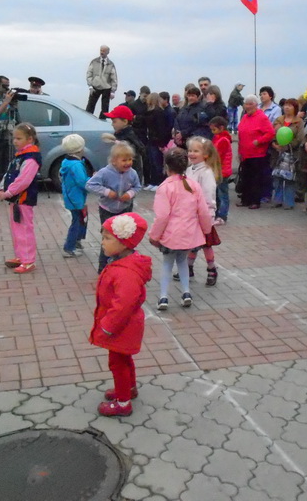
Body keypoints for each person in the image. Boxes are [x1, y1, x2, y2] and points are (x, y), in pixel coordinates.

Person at [91, 212, 152, 417]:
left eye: (108, 239)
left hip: (121, 327)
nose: (103, 243)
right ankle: (129, 389)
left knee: (117, 363)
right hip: (123, 325)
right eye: (103, 238)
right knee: (124, 360)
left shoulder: (126, 272)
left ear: (125, 243)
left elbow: (123, 305)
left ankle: (123, 402)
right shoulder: (121, 262)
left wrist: (107, 326)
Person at [149, 148, 212, 311]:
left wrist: (154, 236)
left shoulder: (165, 187)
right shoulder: (193, 185)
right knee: (183, 261)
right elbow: (203, 212)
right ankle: (186, 293)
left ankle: (163, 296)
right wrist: (206, 230)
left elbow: (162, 216)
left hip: (170, 234)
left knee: (167, 264)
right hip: (189, 233)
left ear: (167, 166)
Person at [85, 142, 142, 273]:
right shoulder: (105, 172)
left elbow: (138, 186)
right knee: (109, 238)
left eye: (130, 159)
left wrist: (130, 194)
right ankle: (103, 268)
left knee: (125, 238)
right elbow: (90, 185)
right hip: (107, 209)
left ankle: (124, 266)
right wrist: (107, 192)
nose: (128, 163)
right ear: (114, 161)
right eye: (124, 160)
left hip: (125, 209)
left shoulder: (132, 173)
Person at [0, 122, 42, 274]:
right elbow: (9, 173)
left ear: (30, 139)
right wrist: (3, 187)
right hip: (15, 200)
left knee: (24, 230)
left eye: (19, 138)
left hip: (23, 199)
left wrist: (8, 193)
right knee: (17, 229)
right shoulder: (19, 156)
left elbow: (23, 181)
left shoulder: (30, 159)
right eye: (14, 138)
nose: (15, 141)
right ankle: (21, 256)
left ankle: (28, 261)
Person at [184, 136, 222, 286]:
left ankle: (212, 269)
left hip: (203, 215)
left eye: (196, 151)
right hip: (190, 214)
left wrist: (208, 215)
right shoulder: (189, 169)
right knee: (192, 244)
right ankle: (188, 267)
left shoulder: (206, 172)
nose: (191, 154)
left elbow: (209, 196)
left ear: (205, 154)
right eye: (190, 150)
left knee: (206, 245)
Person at [236, 94, 276, 209]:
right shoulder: (244, 117)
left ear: (256, 105)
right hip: (245, 153)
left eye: (250, 104)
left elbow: (270, 133)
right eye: (246, 104)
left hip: (257, 154)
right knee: (245, 177)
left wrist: (259, 141)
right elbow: (240, 135)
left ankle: (255, 201)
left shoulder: (261, 117)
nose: (247, 106)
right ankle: (245, 199)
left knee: (255, 178)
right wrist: (239, 152)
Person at [60, 134, 93, 257]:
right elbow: (82, 182)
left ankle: (77, 241)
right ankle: (69, 247)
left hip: (72, 197)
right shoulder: (76, 165)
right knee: (77, 221)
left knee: (81, 219)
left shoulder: (67, 161)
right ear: (80, 149)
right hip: (76, 198)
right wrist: (93, 179)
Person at [271, 98, 304, 210]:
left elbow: (299, 138)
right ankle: (277, 200)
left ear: (295, 108)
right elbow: (273, 133)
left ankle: (289, 202)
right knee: (277, 177)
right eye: (285, 105)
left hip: (291, 153)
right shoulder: (278, 120)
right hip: (278, 153)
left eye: (290, 105)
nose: (287, 107)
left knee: (290, 179)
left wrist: (286, 146)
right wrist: (274, 144)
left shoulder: (298, 122)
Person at [102, 105, 145, 185]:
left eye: (114, 121)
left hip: (127, 179)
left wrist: (118, 143)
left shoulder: (129, 137)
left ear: (125, 121)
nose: (112, 124)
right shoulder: (121, 135)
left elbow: (131, 158)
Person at [144, 92, 172, 190]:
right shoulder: (151, 111)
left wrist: (161, 143)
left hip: (157, 141)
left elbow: (161, 129)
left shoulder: (158, 112)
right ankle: (153, 181)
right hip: (151, 139)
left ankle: (159, 182)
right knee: (151, 162)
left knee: (157, 163)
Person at [209, 116, 233, 224]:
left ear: (221, 127)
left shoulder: (223, 140)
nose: (212, 132)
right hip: (217, 170)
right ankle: (217, 213)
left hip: (222, 171)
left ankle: (222, 215)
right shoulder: (217, 138)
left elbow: (219, 156)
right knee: (217, 193)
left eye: (214, 129)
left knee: (222, 194)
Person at [86, 45, 118, 118]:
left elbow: (114, 77)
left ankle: (102, 121)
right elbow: (89, 74)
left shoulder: (110, 64)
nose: (102, 52)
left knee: (105, 107)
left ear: (107, 52)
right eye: (101, 50)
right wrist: (90, 86)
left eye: (104, 51)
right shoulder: (94, 62)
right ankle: (87, 119)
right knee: (90, 105)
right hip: (95, 86)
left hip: (106, 87)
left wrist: (113, 91)